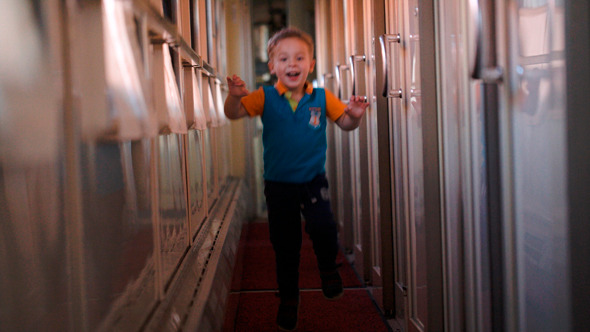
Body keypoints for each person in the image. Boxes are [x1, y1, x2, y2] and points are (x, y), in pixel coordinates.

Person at [224, 27, 369, 331]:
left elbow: (345, 123)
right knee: (285, 243)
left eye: (299, 57)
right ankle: (289, 298)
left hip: (313, 179)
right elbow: (234, 114)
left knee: (324, 226)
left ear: (311, 65)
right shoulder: (264, 97)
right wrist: (234, 96)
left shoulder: (320, 97)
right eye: (284, 58)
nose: (292, 64)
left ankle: (328, 269)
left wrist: (354, 114)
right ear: (272, 67)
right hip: (278, 185)